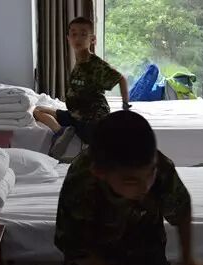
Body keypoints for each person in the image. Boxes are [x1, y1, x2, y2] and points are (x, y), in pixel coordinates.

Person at [55, 111, 203, 265]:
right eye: (131, 181)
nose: (145, 187)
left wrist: (187, 257)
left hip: (146, 256)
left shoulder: (157, 164)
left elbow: (181, 209)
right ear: (101, 173)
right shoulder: (81, 182)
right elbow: (76, 248)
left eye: (150, 174)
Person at [33, 17, 131, 159]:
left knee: (94, 149)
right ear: (68, 38)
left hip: (93, 119)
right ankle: (61, 132)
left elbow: (121, 79)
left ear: (92, 39)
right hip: (75, 115)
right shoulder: (79, 62)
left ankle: (83, 147)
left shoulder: (96, 64)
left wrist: (125, 105)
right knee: (38, 110)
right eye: (74, 34)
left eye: (83, 34)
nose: (78, 38)